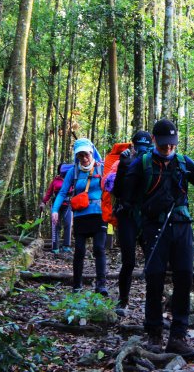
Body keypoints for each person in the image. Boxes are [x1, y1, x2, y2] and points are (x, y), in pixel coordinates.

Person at [122, 119, 194, 358]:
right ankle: (154, 335)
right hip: (154, 228)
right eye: (164, 144)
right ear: (155, 140)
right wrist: (124, 169)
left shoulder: (183, 162)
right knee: (154, 278)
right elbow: (126, 198)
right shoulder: (142, 164)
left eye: (172, 144)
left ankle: (178, 337)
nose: (168, 148)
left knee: (184, 279)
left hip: (182, 227)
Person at [51, 138, 109, 295]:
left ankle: (101, 285)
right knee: (79, 250)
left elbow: (113, 184)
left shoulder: (101, 168)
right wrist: (55, 210)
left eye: (86, 155)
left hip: (99, 214)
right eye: (80, 155)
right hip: (81, 215)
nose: (84, 158)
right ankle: (77, 285)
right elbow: (63, 192)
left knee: (99, 248)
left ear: (91, 153)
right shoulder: (73, 171)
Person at [112, 130, 152, 316]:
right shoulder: (126, 161)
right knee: (128, 261)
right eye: (139, 145)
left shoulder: (154, 161)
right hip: (127, 215)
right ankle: (123, 301)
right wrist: (122, 166)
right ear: (133, 145)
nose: (141, 149)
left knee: (152, 262)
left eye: (145, 145)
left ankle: (153, 305)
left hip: (147, 217)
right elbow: (118, 191)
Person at [40, 163, 73, 254]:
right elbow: (49, 192)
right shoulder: (55, 180)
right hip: (56, 205)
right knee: (56, 225)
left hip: (68, 205)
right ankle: (55, 248)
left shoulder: (72, 179)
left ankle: (66, 246)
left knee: (68, 224)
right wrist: (43, 202)